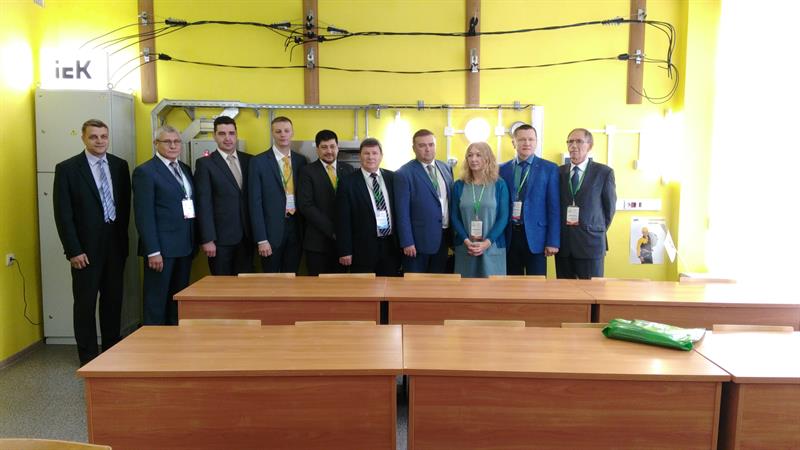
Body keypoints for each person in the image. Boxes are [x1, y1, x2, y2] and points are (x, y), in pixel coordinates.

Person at [53, 119, 130, 365]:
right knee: (85, 304)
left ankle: (111, 352)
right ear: (83, 138)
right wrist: (73, 250)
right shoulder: (67, 169)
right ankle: (88, 357)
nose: (99, 141)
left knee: (113, 301)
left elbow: (124, 208)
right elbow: (63, 214)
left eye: (103, 136)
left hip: (115, 247)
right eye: (93, 136)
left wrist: (123, 244)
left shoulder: (119, 166)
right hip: (84, 250)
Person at [133, 125, 196, 325]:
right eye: (167, 142)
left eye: (176, 141)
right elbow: (144, 215)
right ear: (156, 144)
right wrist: (153, 251)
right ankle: (153, 340)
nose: (173, 146)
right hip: (161, 251)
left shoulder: (184, 169)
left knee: (177, 301)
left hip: (184, 247)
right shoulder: (145, 172)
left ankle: (174, 339)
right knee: (156, 301)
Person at [193, 115, 253, 275]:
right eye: (222, 133)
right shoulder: (205, 164)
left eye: (231, 133)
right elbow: (203, 204)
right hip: (220, 240)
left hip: (247, 238)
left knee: (246, 285)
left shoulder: (249, 160)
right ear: (214, 136)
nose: (227, 138)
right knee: (221, 285)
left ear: (236, 135)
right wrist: (207, 239)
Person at [499, 124, 560, 276]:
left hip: (537, 237)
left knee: (537, 285)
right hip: (510, 236)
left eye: (531, 139)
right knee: (511, 284)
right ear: (514, 143)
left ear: (536, 142)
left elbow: (554, 208)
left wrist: (553, 241)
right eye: (522, 140)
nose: (527, 143)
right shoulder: (502, 169)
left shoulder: (549, 168)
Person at [248, 116, 307, 273]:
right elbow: (254, 203)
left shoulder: (301, 161)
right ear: (272, 133)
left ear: (292, 133)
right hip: (270, 232)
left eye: (286, 131)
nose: (283, 135)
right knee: (271, 279)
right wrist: (261, 239)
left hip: (296, 229)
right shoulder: (258, 162)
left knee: (292, 276)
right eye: (278, 131)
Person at [556, 128, 616, 279]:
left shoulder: (603, 172)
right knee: (564, 291)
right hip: (564, 245)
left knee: (592, 290)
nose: (573, 145)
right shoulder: (558, 172)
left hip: (591, 243)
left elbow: (609, 209)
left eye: (579, 141)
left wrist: (594, 229)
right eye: (570, 142)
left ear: (590, 145)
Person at [335, 138, 400, 277]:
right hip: (362, 249)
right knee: (364, 288)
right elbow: (343, 220)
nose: (371, 157)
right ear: (360, 156)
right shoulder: (347, 183)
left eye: (374, 153)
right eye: (366, 153)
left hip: (390, 247)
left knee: (389, 286)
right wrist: (345, 251)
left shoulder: (393, 178)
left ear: (381, 156)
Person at [394, 129, 453, 273]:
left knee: (438, 282)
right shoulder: (404, 173)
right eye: (422, 145)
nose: (427, 149)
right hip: (417, 243)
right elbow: (402, 213)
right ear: (414, 148)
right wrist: (407, 242)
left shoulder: (446, 168)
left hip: (443, 238)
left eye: (431, 144)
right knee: (415, 284)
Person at [297, 129, 355, 275]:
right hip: (317, 244)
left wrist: (344, 233)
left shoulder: (349, 170)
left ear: (338, 148)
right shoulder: (307, 171)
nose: (329, 151)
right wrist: (333, 230)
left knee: (341, 285)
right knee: (317, 287)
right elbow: (306, 206)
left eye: (332, 146)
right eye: (324, 147)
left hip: (343, 245)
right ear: (317, 149)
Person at [451, 142, 509, 278]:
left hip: (492, 246)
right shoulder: (459, 185)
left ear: (488, 158)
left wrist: (487, 242)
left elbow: (503, 217)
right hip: (466, 247)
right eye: (470, 155)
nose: (473, 159)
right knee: (466, 288)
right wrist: (466, 241)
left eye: (478, 155)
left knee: (492, 289)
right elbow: (454, 216)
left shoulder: (499, 184)